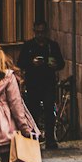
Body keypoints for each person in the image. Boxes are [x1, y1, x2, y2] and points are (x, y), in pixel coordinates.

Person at [17, 20, 65, 148]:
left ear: (46, 32)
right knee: (33, 111)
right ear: (34, 32)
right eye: (38, 32)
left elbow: (61, 63)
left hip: (48, 83)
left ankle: (50, 139)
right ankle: (34, 139)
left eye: (42, 32)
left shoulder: (52, 46)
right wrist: (32, 62)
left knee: (49, 110)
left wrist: (55, 64)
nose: (40, 35)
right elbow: (20, 63)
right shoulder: (29, 46)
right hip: (33, 83)